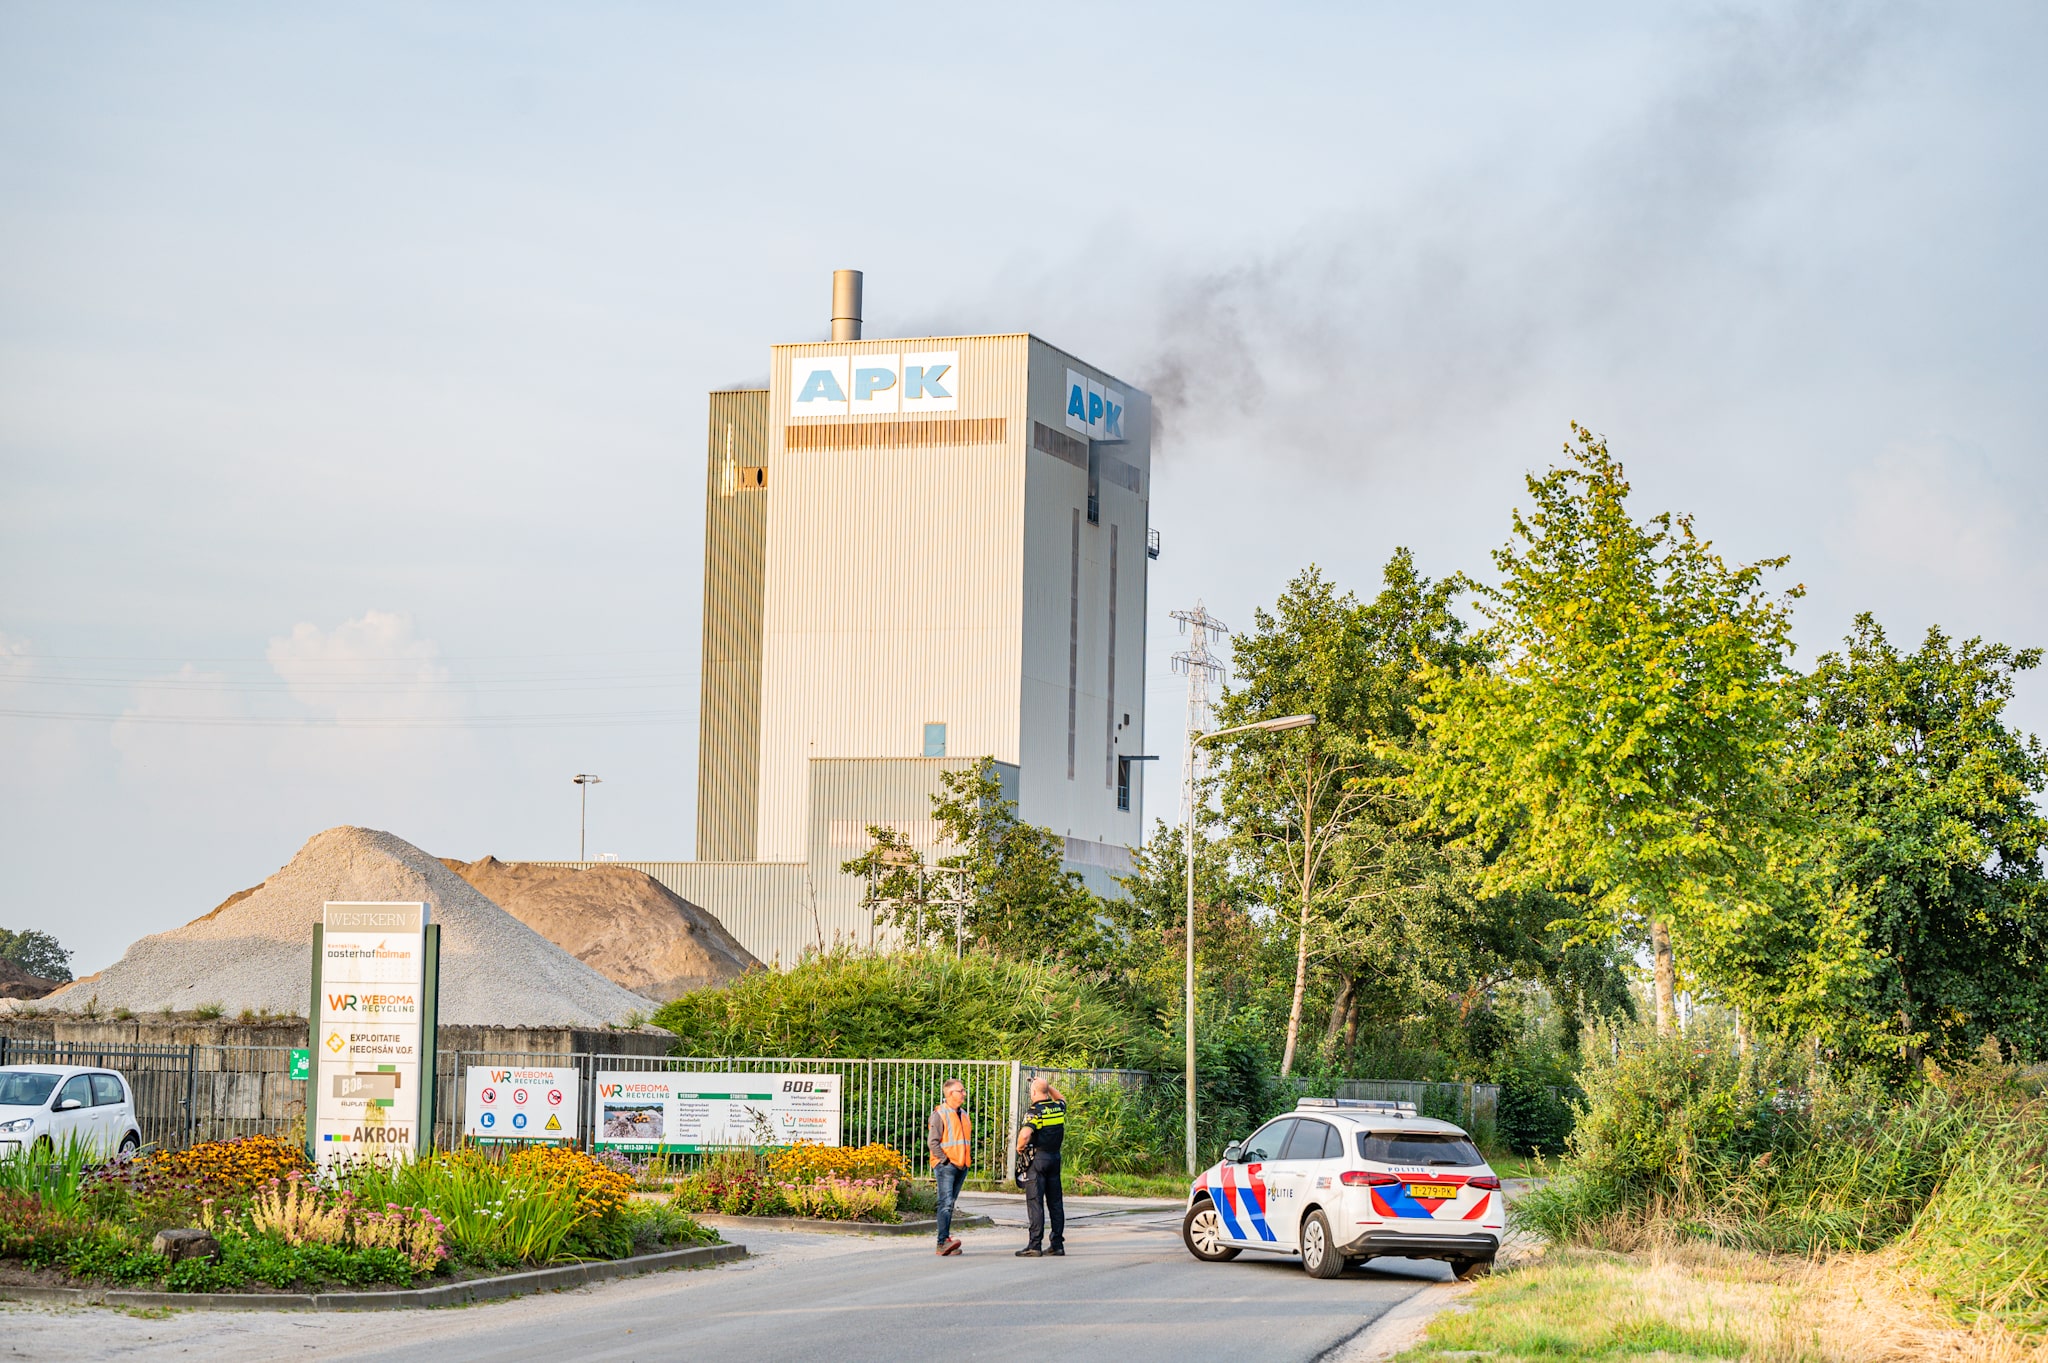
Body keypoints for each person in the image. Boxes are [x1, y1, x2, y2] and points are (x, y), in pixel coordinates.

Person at [1014, 1076, 1066, 1257]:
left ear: (1034, 1093)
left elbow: (1025, 1134)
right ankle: (1057, 1244)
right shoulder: (1057, 1108)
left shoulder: (1035, 1111)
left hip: (1037, 1159)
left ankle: (1034, 1245)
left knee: (1035, 1202)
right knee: (1055, 1202)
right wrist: (1047, 1086)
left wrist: (1019, 1148)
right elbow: (1062, 1099)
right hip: (1054, 1158)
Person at [927, 1077, 971, 1256]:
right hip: (947, 1165)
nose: (964, 1094)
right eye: (961, 1091)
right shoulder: (940, 1114)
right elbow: (933, 1142)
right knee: (945, 1203)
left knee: (950, 1203)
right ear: (950, 1094)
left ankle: (945, 1240)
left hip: (961, 1165)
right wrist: (944, 1160)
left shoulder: (964, 1114)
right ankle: (941, 1242)